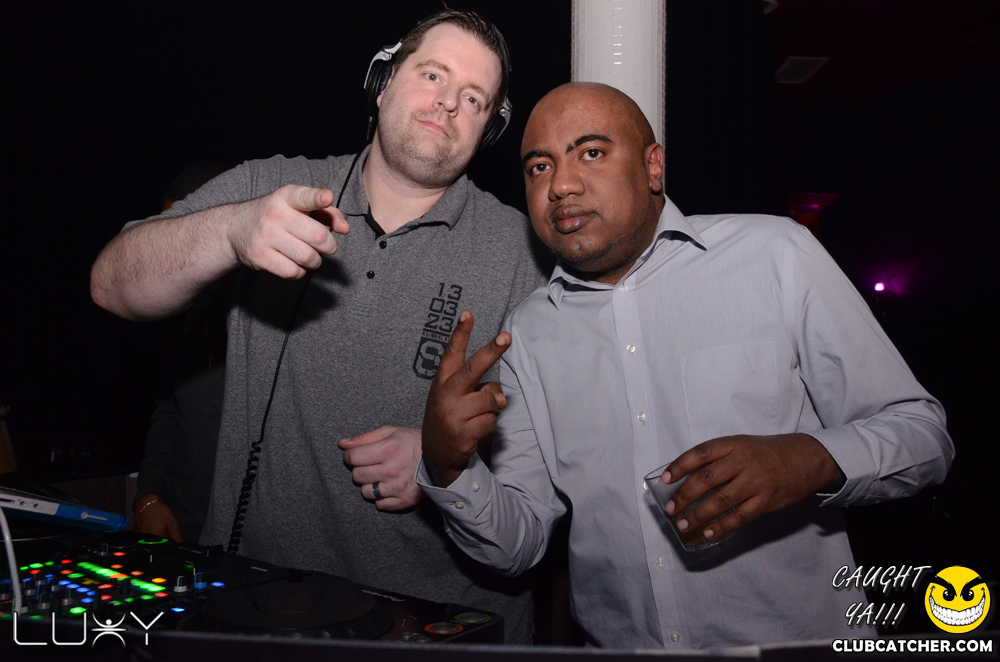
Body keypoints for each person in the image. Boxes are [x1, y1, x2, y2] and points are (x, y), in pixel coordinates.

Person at [418, 83, 954, 649]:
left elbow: (923, 436)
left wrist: (808, 458)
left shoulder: (774, 254)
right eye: (539, 166)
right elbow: (518, 544)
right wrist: (448, 466)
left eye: (591, 152)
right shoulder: (528, 332)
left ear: (653, 167)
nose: (561, 185)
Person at [90, 10, 545, 643]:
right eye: (432, 74)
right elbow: (112, 284)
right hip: (263, 613)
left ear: (486, 129)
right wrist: (231, 231)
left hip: (440, 629)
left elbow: (540, 476)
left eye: (474, 98)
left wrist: (444, 459)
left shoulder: (523, 253)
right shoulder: (270, 187)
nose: (448, 102)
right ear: (382, 83)